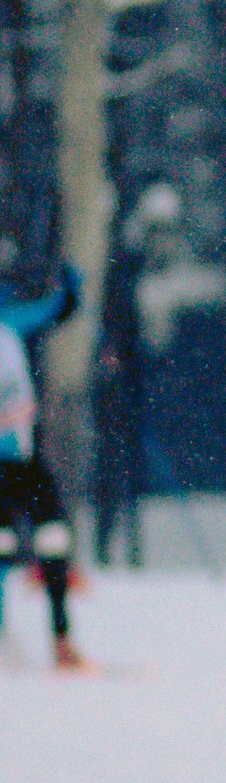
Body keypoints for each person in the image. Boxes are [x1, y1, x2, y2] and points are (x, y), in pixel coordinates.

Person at [0, 261, 86, 670]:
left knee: (51, 538)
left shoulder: (9, 322)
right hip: (13, 463)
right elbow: (59, 309)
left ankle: (60, 638)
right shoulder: (11, 321)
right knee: (17, 543)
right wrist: (68, 293)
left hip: (21, 462)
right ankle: (46, 637)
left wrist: (70, 292)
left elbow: (59, 309)